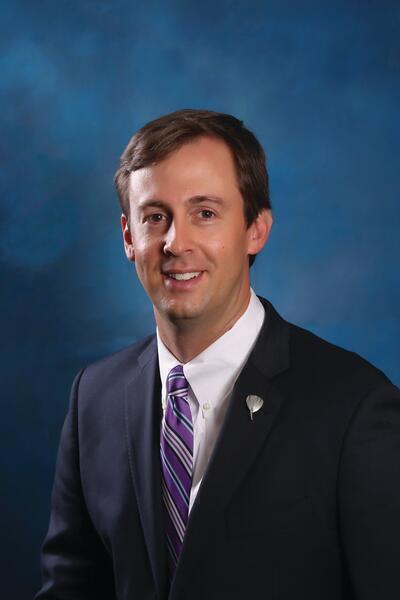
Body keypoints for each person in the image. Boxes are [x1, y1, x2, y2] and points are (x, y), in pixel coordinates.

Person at [35, 109, 400, 600]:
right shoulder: (94, 399)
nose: (175, 242)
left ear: (256, 230)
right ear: (128, 237)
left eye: (204, 213)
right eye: (155, 217)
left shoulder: (354, 406)